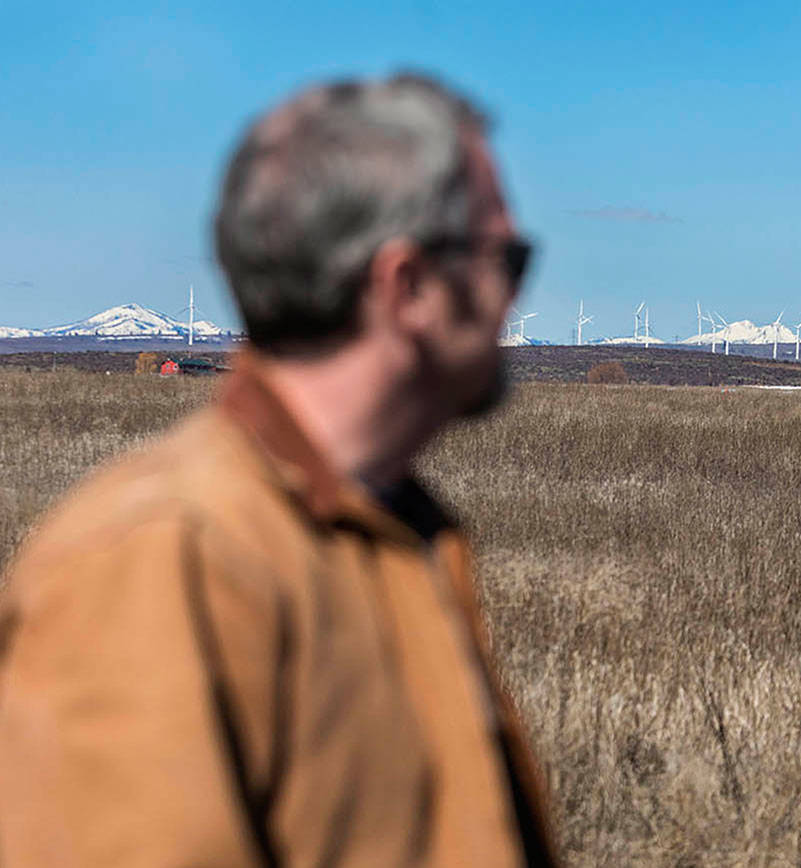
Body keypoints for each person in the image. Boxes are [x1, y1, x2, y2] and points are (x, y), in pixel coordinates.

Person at [0, 73, 556, 867]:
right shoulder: (161, 558)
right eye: (510, 259)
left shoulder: (389, 529)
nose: (514, 302)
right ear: (407, 287)